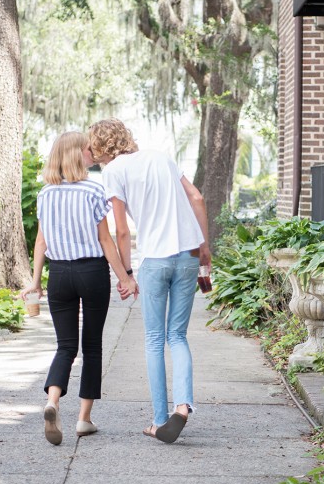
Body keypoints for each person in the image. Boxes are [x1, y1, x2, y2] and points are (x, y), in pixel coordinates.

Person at [89, 118, 211, 444]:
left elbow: (123, 230)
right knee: (178, 337)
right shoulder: (161, 156)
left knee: (155, 340)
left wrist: (127, 274)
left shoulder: (113, 171)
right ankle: (183, 407)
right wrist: (205, 251)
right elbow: (197, 198)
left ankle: (159, 421)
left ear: (102, 147)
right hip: (188, 256)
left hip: (155, 260)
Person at [21, 131, 138, 446]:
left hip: (58, 275)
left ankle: (53, 401)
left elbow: (41, 242)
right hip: (91, 271)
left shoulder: (46, 193)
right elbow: (105, 240)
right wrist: (125, 277)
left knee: (65, 347)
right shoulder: (93, 190)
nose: (92, 151)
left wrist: (34, 282)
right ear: (76, 154)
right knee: (92, 347)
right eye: (87, 148)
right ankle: (83, 420)